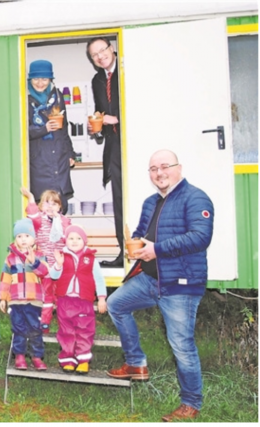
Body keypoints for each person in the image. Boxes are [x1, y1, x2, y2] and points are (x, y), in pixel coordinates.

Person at [106, 150, 214, 422]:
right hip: (150, 279)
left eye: (165, 166)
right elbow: (141, 233)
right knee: (115, 304)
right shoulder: (151, 202)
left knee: (181, 344)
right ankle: (136, 363)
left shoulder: (196, 198)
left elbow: (201, 237)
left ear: (179, 168)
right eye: (153, 168)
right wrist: (135, 245)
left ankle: (191, 402)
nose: (159, 173)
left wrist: (157, 250)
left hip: (180, 284)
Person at [86, 38, 124, 267]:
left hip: (136, 141)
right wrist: (97, 127)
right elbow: (101, 111)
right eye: (94, 55)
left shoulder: (129, 68)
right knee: (119, 200)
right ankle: (123, 253)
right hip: (114, 147)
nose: (100, 56)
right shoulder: (97, 80)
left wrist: (118, 118)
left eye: (103, 50)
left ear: (112, 49)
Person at [0, 219, 51, 371]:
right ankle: (19, 355)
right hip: (16, 301)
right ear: (15, 239)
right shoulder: (10, 258)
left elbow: (45, 273)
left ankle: (37, 356)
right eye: (19, 236)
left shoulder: (40, 256)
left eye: (26, 236)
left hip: (34, 300)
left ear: (33, 238)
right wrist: (3, 297)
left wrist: (34, 262)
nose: (23, 239)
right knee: (18, 328)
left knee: (35, 328)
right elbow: (5, 279)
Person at [51, 225, 107, 373]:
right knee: (66, 330)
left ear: (84, 241)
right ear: (65, 241)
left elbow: (99, 279)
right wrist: (58, 264)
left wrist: (101, 298)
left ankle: (83, 359)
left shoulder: (91, 258)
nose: (74, 241)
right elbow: (53, 276)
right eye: (71, 238)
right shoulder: (62, 256)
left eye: (78, 238)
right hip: (65, 301)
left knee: (85, 330)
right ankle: (68, 358)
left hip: (84, 301)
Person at [26, 60, 75, 212]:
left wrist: (70, 153)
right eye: (36, 79)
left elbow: (64, 128)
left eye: (44, 79)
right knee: (42, 207)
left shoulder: (58, 97)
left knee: (61, 205)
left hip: (59, 158)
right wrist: (43, 129)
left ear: (51, 80)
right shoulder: (23, 98)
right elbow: (19, 131)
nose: (40, 83)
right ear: (29, 79)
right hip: (38, 162)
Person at [21, 186, 72, 330]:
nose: (50, 207)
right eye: (46, 203)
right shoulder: (39, 221)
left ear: (60, 206)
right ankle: (45, 322)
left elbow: (68, 238)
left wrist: (59, 221)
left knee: (61, 293)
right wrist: (31, 199)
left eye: (54, 203)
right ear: (41, 206)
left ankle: (65, 321)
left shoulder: (64, 221)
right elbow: (31, 215)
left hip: (61, 263)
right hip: (45, 263)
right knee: (47, 293)